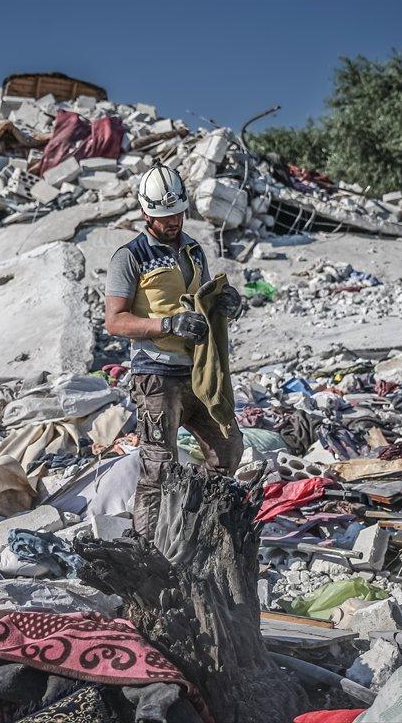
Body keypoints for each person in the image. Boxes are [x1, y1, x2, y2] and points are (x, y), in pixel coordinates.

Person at [104, 166, 245, 538]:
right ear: (146, 214)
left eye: (178, 214)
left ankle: (197, 528)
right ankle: (149, 550)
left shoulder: (194, 250)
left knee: (227, 450)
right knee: (158, 469)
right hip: (156, 375)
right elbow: (115, 321)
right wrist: (167, 325)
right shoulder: (130, 256)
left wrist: (224, 302)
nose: (173, 222)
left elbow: (202, 299)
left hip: (197, 373)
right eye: (165, 217)